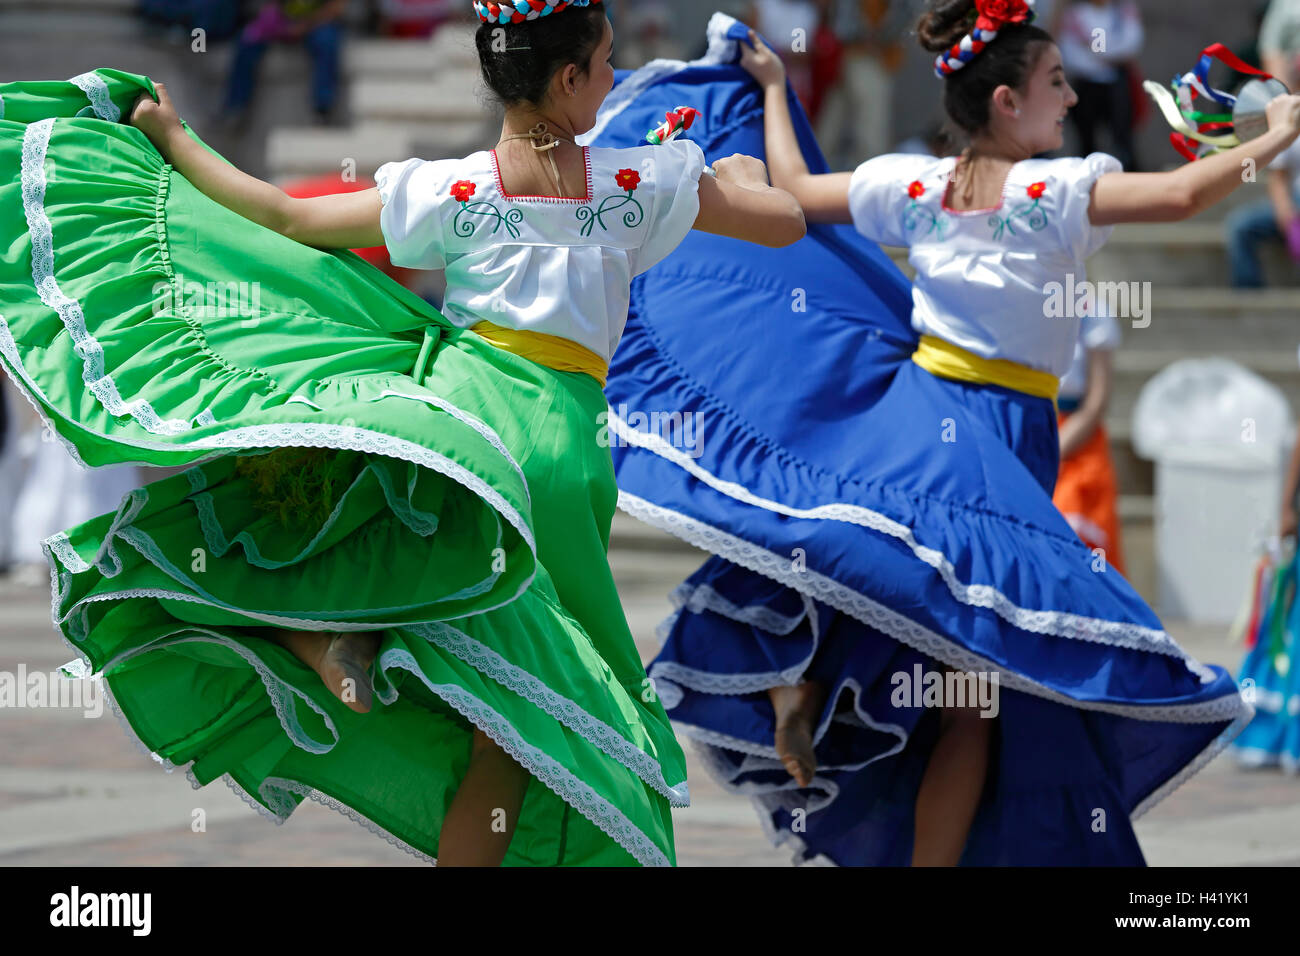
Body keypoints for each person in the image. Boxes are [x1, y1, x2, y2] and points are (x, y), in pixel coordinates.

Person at [0, 1, 803, 866]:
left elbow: (284, 217)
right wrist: (753, 145)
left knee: (510, 700)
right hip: (560, 452)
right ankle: (340, 638)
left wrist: (174, 135)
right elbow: (784, 219)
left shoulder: (453, 188)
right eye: (606, 64)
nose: (612, 80)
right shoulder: (636, 183)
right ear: (568, 79)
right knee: (548, 710)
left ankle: (325, 632)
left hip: (462, 425)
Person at [598, 1, 1280, 865]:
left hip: (919, 411)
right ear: (1005, 101)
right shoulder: (1052, 192)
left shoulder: (911, 185)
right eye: (1056, 81)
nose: (1070, 98)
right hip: (996, 444)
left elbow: (795, 194)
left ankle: (801, 683)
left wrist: (772, 89)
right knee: (972, 696)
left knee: (880, 571)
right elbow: (1184, 193)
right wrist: (1273, 136)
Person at [1053, 307, 1125, 575]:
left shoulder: (1092, 314)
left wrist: (1056, 448)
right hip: (1034, 425)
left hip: (1078, 438)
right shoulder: (1023, 297)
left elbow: (1097, 400)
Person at [222, 0, 348, 126]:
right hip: (284, 22)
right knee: (248, 39)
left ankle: (323, 108)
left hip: (317, 24)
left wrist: (304, 26)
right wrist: (277, 24)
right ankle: (235, 107)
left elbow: (336, 9)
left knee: (326, 42)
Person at [1057, 0, 1143, 171]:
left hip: (1117, 83)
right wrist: (1104, 55)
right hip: (1086, 85)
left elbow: (1131, 42)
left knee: (1123, 136)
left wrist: (1099, 52)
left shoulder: (1122, 11)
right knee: (1086, 139)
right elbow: (1070, 53)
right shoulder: (1075, 15)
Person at [1225, 135, 1300, 287]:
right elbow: (1278, 178)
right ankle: (1248, 298)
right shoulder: (1291, 130)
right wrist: (1286, 213)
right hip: (1295, 202)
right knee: (1240, 226)